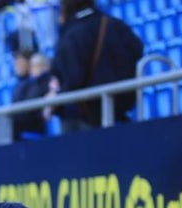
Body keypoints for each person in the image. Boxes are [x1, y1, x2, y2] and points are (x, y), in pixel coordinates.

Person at [49, 0, 144, 132]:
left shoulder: (71, 34)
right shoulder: (116, 25)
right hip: (118, 111)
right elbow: (137, 50)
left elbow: (72, 79)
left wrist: (55, 102)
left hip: (83, 118)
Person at [0, 53, 52, 148]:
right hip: (18, 121)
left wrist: (6, 121)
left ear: (45, 67)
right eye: (32, 66)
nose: (33, 69)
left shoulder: (47, 83)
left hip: (30, 124)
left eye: (36, 66)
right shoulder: (28, 84)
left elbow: (29, 108)